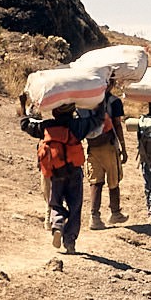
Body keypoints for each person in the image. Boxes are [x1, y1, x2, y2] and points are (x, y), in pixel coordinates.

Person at [21, 103, 103, 253]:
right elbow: (98, 120)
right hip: (74, 172)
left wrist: (23, 104)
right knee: (75, 206)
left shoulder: (46, 126)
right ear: (72, 111)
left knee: (56, 203)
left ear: (54, 112)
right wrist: (101, 101)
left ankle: (57, 226)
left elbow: (25, 124)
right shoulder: (77, 126)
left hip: (55, 173)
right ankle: (70, 241)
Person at [85, 85, 128, 230]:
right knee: (113, 179)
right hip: (108, 146)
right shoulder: (113, 101)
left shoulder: (86, 99)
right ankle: (115, 213)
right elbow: (117, 124)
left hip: (91, 146)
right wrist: (123, 146)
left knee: (95, 181)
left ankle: (94, 217)